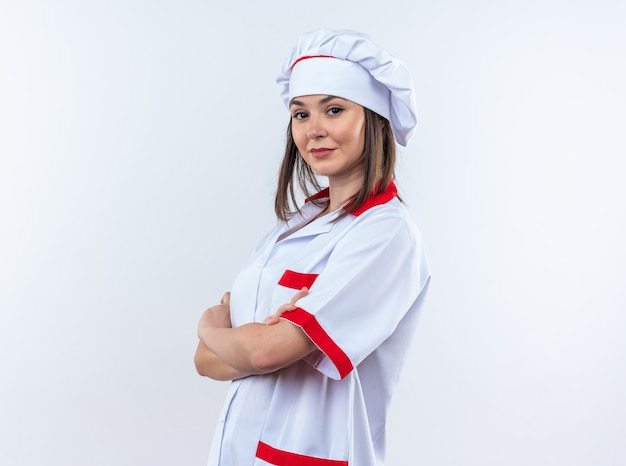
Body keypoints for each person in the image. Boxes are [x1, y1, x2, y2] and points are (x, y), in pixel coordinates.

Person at [194, 28, 431, 465]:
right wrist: (241, 344)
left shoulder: (385, 235)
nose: (314, 130)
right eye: (300, 114)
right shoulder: (295, 227)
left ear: (373, 118)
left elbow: (261, 351)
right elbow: (206, 363)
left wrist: (212, 330)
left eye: (334, 110)